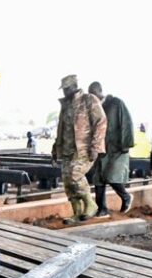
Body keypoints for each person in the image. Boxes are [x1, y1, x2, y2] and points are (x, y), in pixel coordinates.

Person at [52, 74, 106, 225]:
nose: (64, 92)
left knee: (75, 175)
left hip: (84, 149)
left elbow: (100, 122)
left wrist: (95, 146)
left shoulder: (88, 100)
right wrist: (55, 149)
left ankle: (91, 204)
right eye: (63, 89)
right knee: (68, 182)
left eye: (67, 88)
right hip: (67, 150)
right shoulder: (65, 105)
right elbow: (61, 129)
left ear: (74, 86)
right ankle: (77, 213)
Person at [87, 82, 135, 217]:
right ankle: (102, 209)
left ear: (100, 91)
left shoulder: (116, 103)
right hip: (101, 148)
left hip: (117, 148)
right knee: (98, 179)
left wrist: (126, 143)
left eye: (93, 94)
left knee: (112, 176)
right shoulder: (94, 108)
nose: (92, 97)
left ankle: (126, 196)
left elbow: (126, 122)